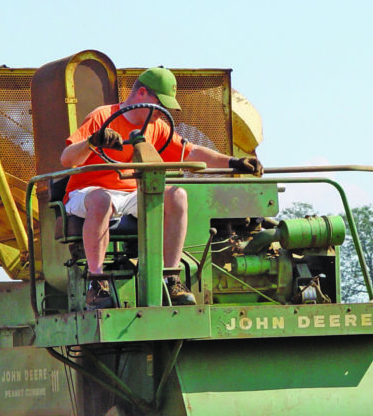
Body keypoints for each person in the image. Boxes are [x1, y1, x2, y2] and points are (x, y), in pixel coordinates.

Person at [60, 67, 262, 309]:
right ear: (142, 93)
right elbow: (67, 159)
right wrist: (92, 142)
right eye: (160, 103)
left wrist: (233, 162)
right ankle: (96, 282)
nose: (162, 112)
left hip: (131, 193)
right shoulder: (102, 117)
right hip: (88, 192)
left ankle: (170, 277)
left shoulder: (156, 127)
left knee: (177, 195)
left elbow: (192, 152)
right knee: (102, 200)